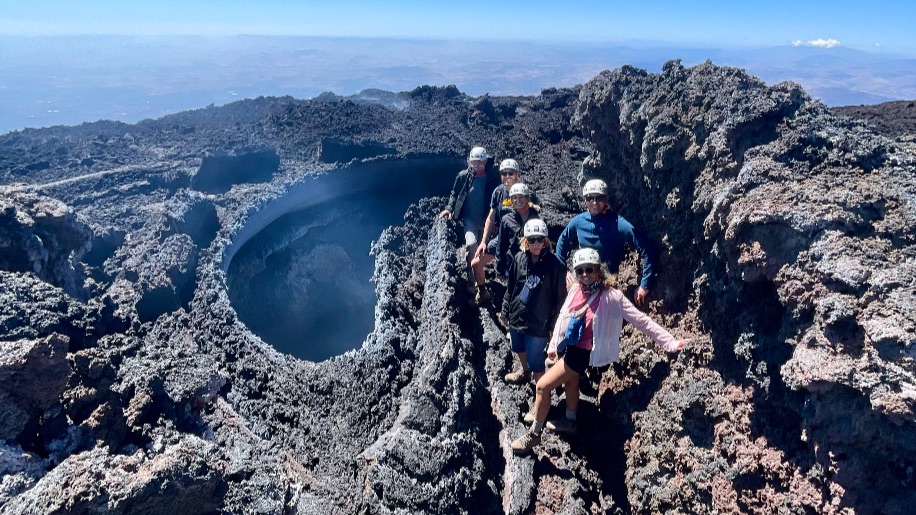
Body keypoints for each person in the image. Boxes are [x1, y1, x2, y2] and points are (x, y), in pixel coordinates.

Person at [510, 248, 687, 455]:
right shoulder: (577, 288)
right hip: (571, 347)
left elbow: (641, 321)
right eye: (580, 271)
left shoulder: (613, 297)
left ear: (598, 270)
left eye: (589, 270)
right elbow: (564, 315)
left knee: (542, 386)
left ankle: (534, 434)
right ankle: (570, 420)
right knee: (571, 381)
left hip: (583, 353)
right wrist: (553, 346)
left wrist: (670, 343)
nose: (585, 275)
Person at [555, 179, 656, 308]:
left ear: (606, 199)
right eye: (590, 198)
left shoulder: (618, 224)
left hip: (606, 285)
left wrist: (644, 284)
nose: (595, 203)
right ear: (585, 200)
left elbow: (647, 249)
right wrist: (563, 271)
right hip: (582, 281)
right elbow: (561, 243)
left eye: (599, 198)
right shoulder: (578, 222)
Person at [500, 219, 566, 386]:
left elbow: (561, 299)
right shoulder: (519, 259)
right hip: (517, 318)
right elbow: (511, 287)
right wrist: (505, 309)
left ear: (546, 241)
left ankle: (541, 399)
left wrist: (553, 325)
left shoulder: (555, 266)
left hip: (539, 325)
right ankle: (524, 372)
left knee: (537, 363)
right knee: (518, 348)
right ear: (525, 241)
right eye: (531, 239)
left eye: (540, 239)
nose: (536, 244)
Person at [470, 158, 539, 303]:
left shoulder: (527, 194)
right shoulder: (498, 192)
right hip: (502, 238)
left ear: (517, 174)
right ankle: (482, 292)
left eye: (511, 173)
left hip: (522, 242)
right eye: (504, 173)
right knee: (475, 264)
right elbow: (491, 216)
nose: (507, 176)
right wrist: (483, 242)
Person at [438, 146, 500, 252]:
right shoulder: (463, 177)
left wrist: (497, 222)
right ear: (470, 161)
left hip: (487, 221)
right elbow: (454, 193)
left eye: (480, 162)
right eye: (474, 162)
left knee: (487, 249)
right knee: (471, 245)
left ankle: (480, 267)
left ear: (485, 161)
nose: (477, 165)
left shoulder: (493, 178)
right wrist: (449, 208)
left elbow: (499, 200)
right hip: (470, 221)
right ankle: (471, 268)